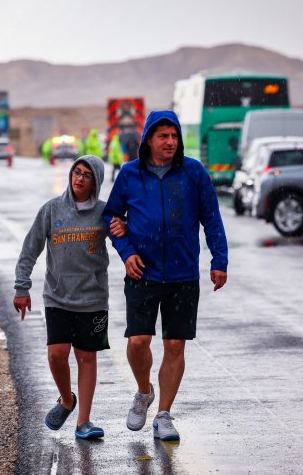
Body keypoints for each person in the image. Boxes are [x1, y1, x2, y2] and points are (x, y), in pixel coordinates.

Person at [102, 110, 228, 442]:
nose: (171, 141)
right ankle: (144, 392)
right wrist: (127, 252)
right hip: (142, 271)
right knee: (138, 342)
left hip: (183, 274)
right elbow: (111, 217)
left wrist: (220, 260)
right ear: (148, 140)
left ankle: (164, 415)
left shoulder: (194, 172)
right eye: (163, 136)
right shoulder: (130, 174)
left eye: (174, 136)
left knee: (175, 344)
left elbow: (211, 218)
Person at [14, 155, 116, 440]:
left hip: (93, 300)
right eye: (77, 172)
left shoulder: (104, 213)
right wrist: (22, 288)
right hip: (57, 297)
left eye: (87, 175)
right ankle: (66, 400)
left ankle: (83, 421)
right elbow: (29, 250)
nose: (79, 178)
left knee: (86, 357)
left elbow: (125, 239)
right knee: (57, 355)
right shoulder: (51, 210)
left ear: (95, 183)